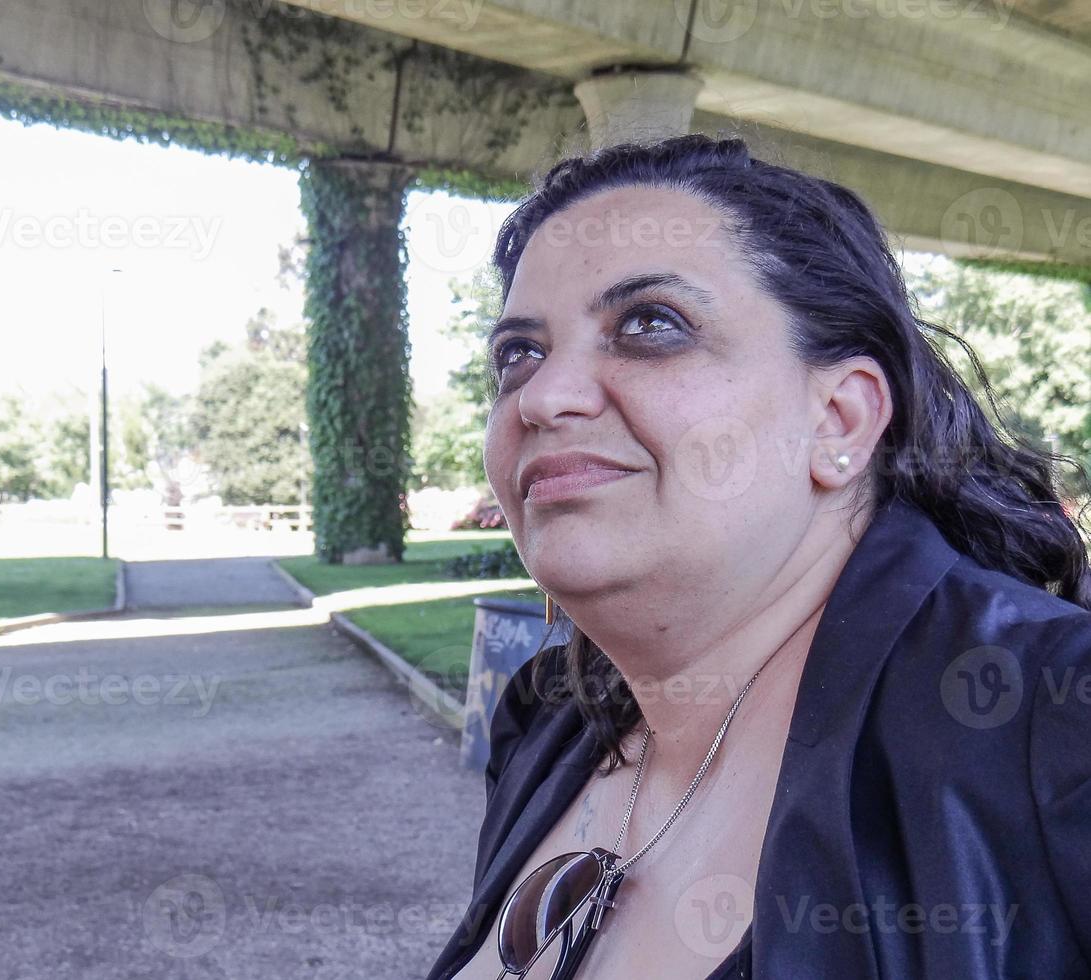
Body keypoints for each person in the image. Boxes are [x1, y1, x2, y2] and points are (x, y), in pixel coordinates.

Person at [425, 134, 1091, 979]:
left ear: (839, 419)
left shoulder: (1052, 723)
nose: (544, 395)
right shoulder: (546, 723)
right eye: (519, 352)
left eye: (649, 325)